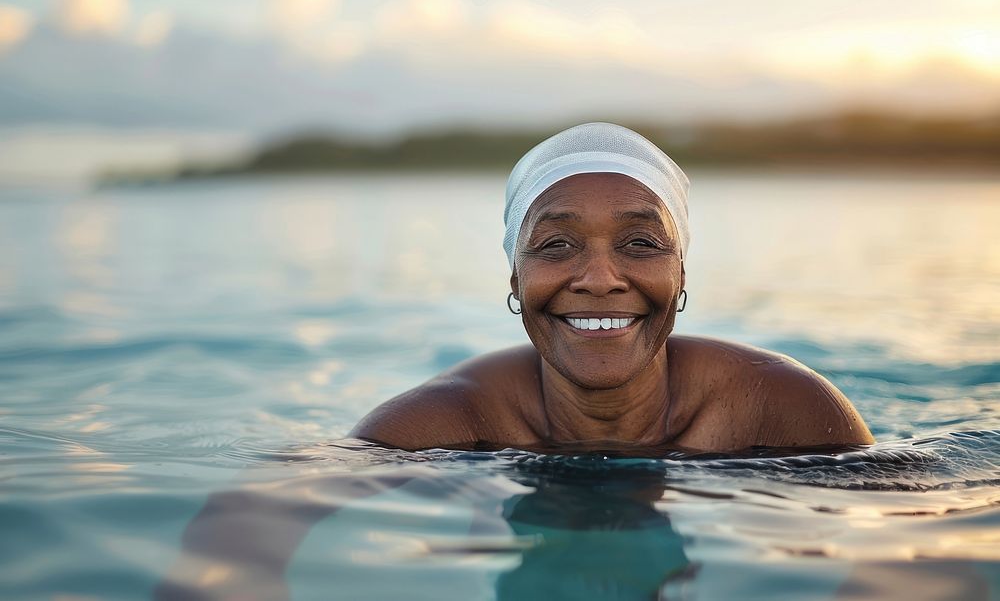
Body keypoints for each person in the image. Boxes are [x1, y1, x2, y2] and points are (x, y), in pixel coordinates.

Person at [352, 122, 874, 453]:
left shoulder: (785, 410)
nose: (600, 281)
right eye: (556, 245)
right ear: (515, 277)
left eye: (641, 243)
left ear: (681, 272)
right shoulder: (424, 433)